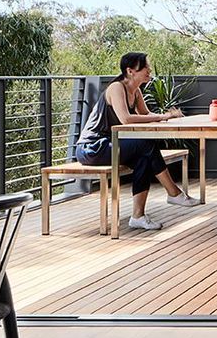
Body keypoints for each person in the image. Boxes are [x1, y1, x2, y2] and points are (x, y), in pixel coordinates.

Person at [76, 52, 193, 231]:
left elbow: (146, 115)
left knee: (144, 158)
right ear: (130, 71)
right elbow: (126, 119)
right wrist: (163, 116)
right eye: (145, 67)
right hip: (92, 148)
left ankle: (138, 216)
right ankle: (173, 192)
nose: (149, 70)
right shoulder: (116, 88)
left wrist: (169, 117)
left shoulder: (136, 91)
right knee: (145, 144)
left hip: (112, 144)